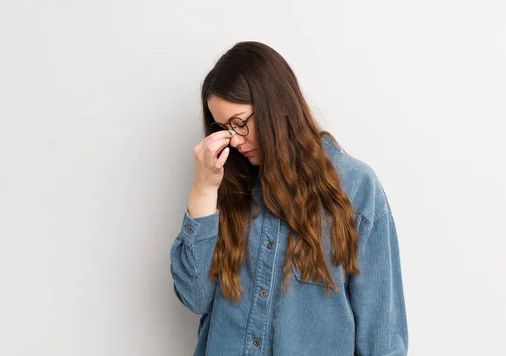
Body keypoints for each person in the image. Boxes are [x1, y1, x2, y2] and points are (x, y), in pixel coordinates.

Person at [169, 41, 408, 356]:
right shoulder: (225, 183)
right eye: (225, 128)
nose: (235, 141)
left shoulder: (356, 188)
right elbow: (195, 297)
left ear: (275, 104)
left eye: (240, 122)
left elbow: (381, 337)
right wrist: (203, 189)